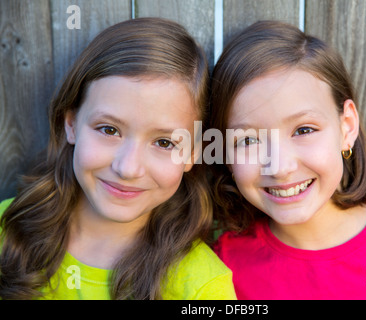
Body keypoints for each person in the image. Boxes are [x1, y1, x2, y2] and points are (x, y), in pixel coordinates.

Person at [209, 20, 366, 299]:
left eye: (303, 130)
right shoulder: (223, 271)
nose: (281, 167)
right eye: (248, 140)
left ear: (346, 126)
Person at [0, 17, 236, 300]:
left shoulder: (202, 287)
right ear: (71, 124)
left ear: (193, 154)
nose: (127, 168)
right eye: (109, 129)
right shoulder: (7, 230)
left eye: (164, 142)